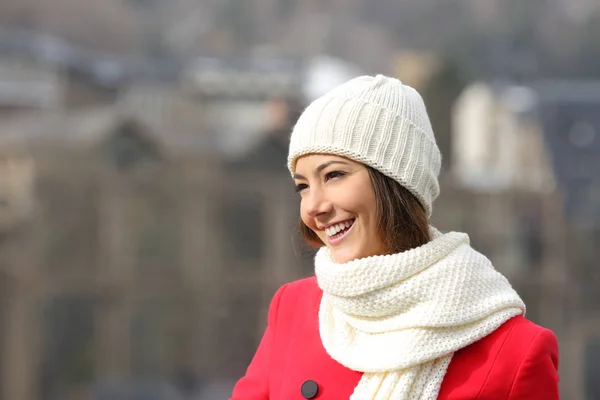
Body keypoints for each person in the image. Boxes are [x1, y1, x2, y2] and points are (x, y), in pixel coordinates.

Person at [229, 75, 559, 399]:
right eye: (303, 186)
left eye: (334, 175)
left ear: (396, 183)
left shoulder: (515, 352)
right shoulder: (294, 309)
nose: (313, 207)